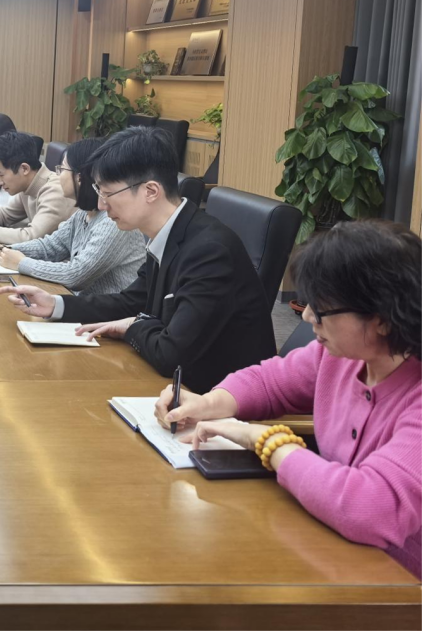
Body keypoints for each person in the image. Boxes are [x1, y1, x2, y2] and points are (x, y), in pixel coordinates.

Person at [155, 220, 422, 578]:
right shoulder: (339, 356)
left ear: (382, 319)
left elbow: (369, 508)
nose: (308, 316)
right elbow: (269, 381)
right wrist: (207, 403)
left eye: (322, 308)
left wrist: (266, 440)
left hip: (397, 583)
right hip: (329, 551)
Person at [0, 126, 275, 391]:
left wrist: (134, 325)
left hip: (219, 401)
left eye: (108, 193)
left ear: (150, 191)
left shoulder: (210, 251)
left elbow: (170, 353)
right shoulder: (169, 234)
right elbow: (130, 302)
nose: (101, 204)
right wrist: (55, 304)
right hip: (171, 385)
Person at [0, 136, 145, 294]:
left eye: (62, 169)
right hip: (82, 303)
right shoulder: (83, 214)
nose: (58, 176)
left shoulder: (112, 221)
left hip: (105, 308)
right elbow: (51, 246)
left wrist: (21, 263)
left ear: (80, 177)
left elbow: (75, 275)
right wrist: (6, 250)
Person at [0, 131, 73, 245]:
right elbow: (4, 215)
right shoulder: (28, 184)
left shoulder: (55, 191)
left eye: (1, 174)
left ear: (24, 169)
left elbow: (31, 237)